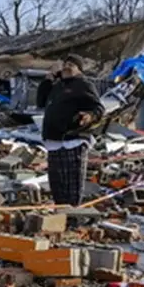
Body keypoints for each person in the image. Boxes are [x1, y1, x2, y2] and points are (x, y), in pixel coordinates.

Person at [37, 55, 104, 207]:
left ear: (79, 70)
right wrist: (47, 80)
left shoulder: (83, 85)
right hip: (54, 139)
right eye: (65, 64)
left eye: (71, 65)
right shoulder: (57, 86)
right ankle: (60, 212)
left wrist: (89, 116)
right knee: (57, 182)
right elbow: (40, 101)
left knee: (72, 183)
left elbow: (98, 108)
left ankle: (73, 214)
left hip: (73, 139)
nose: (67, 67)